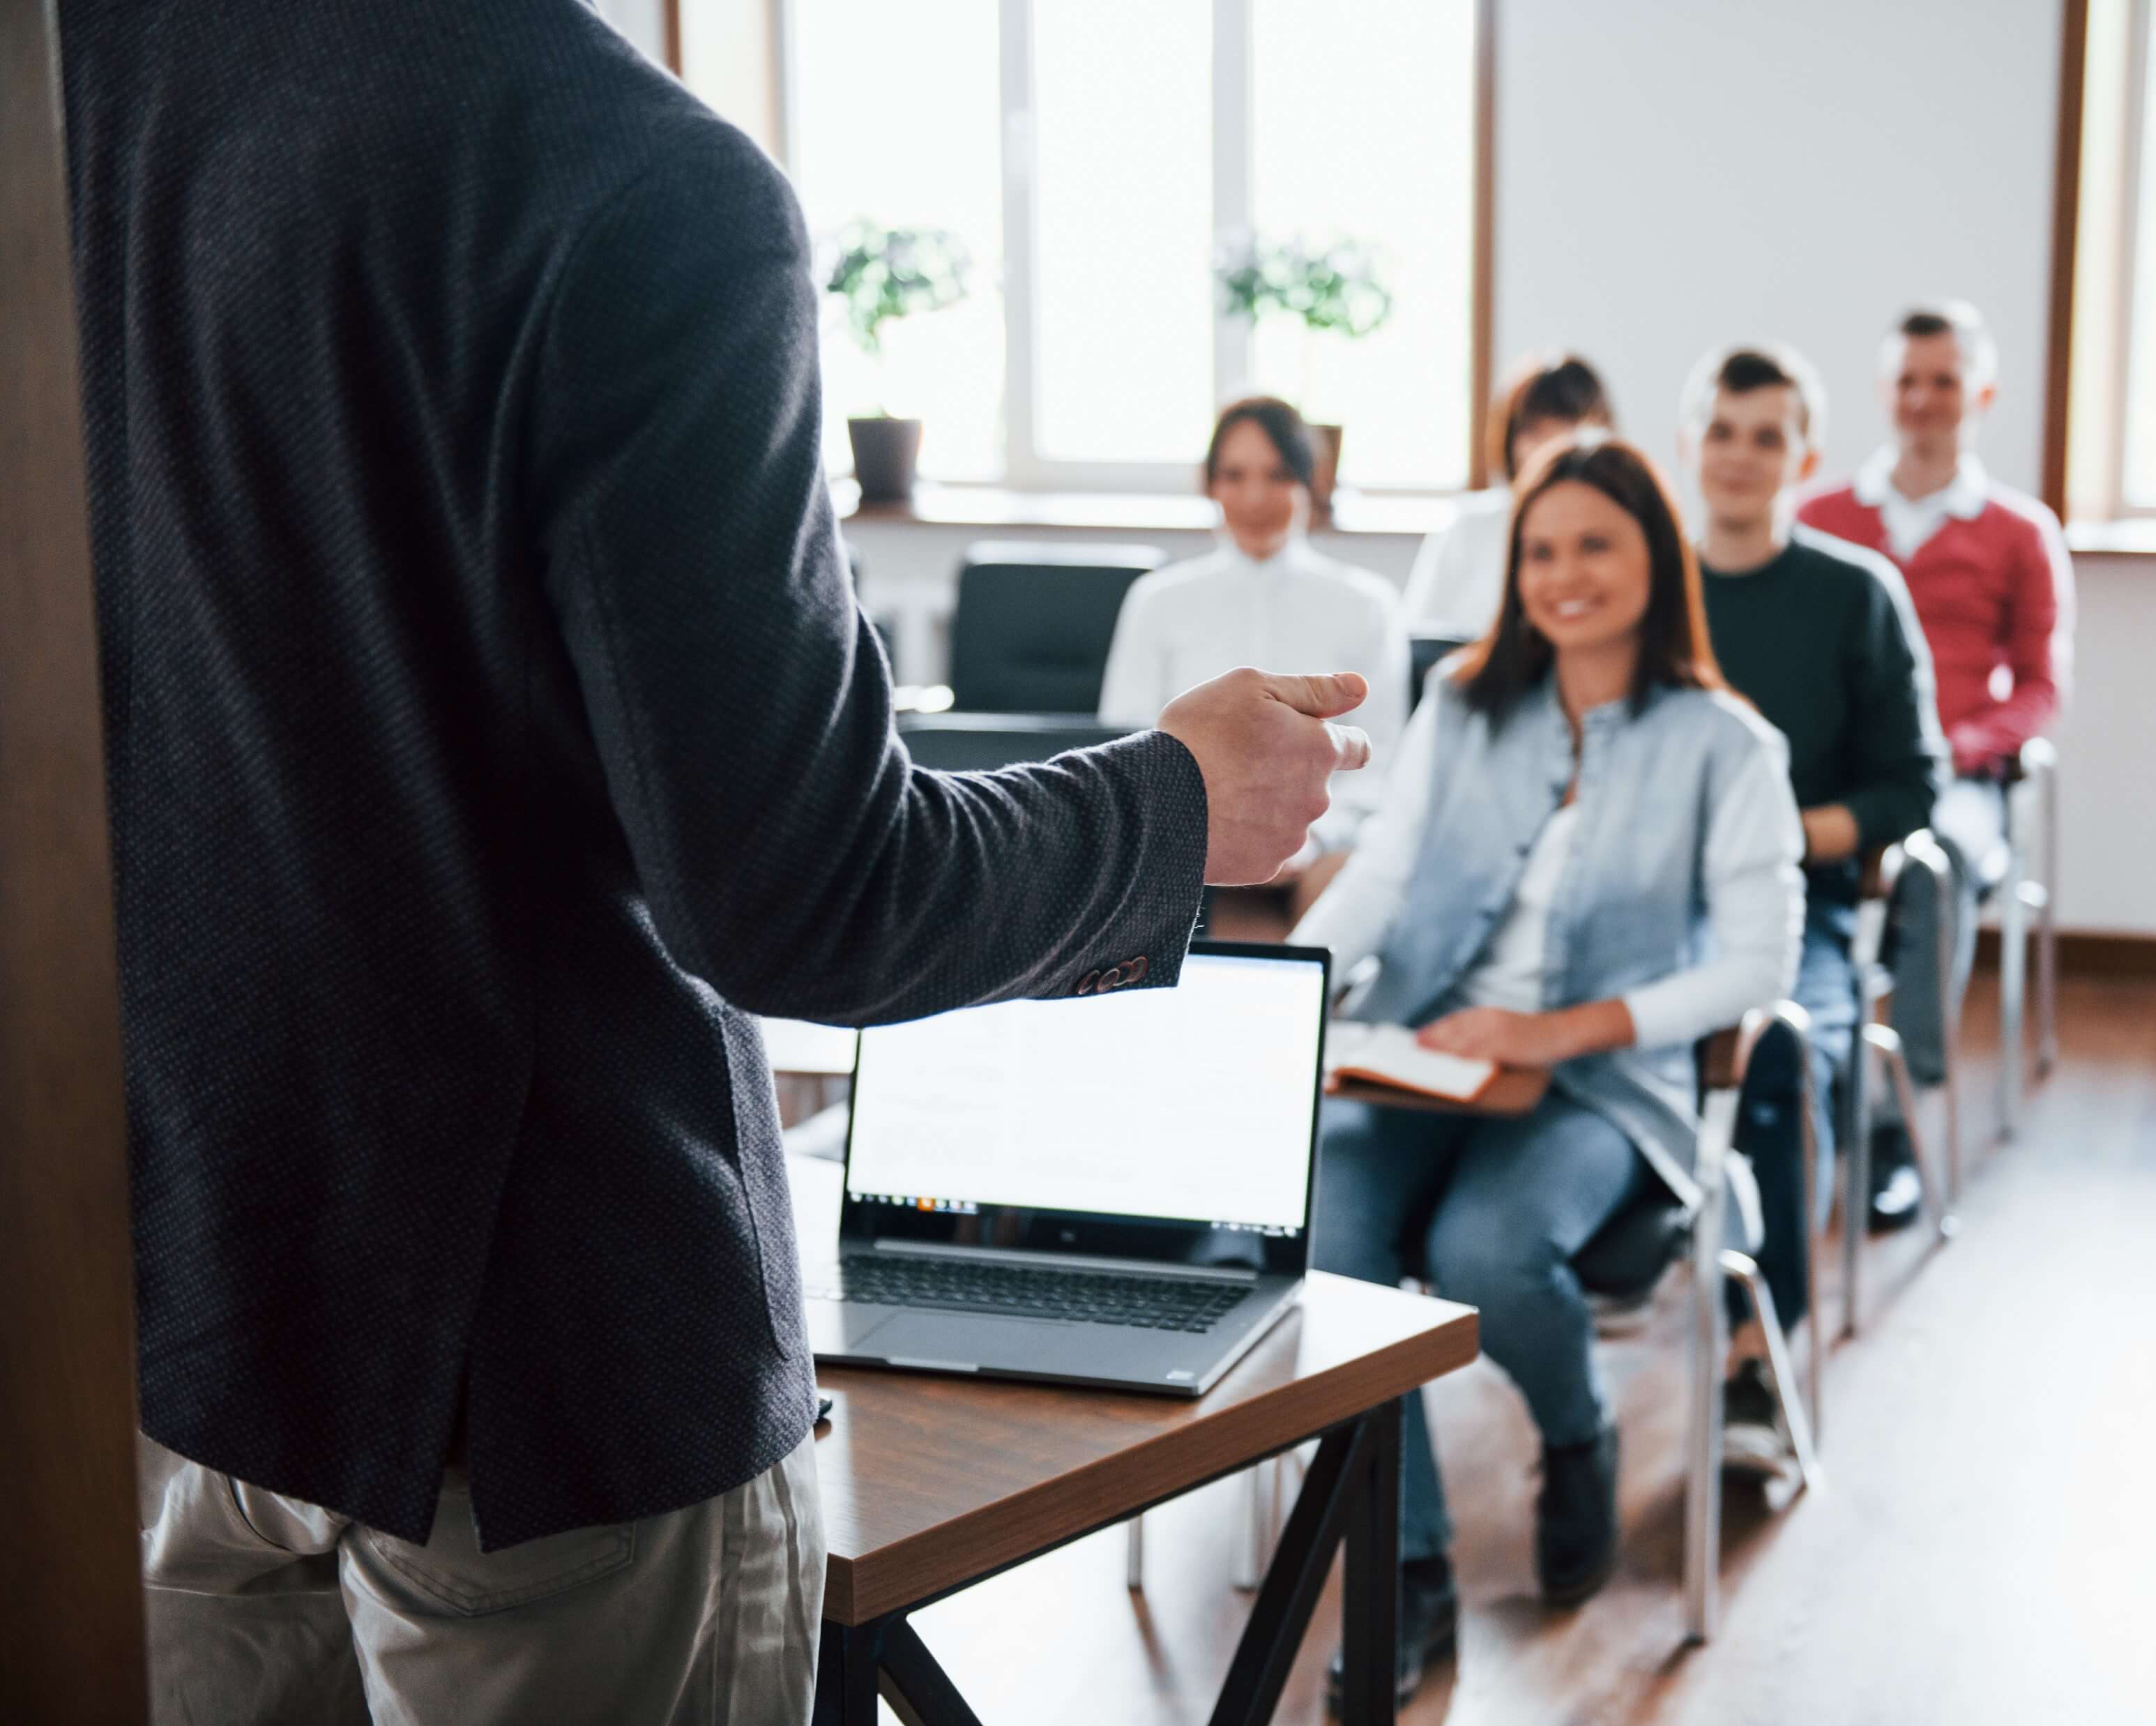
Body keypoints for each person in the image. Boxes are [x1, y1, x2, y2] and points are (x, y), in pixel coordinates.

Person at [66, 6, 1369, 1720]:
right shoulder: (630, 183)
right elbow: (807, 893)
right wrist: (1173, 806)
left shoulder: (83, 83)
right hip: (543, 1381)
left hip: (176, 1309)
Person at [1293, 434, 1805, 1708]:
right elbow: (1388, 877)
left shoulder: (1725, 745)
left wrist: (1557, 1033)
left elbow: (1756, 964)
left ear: (1655, 561)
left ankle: (1575, 1436)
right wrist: (1285, 996)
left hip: (1598, 1081)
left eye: (1596, 545)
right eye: (1540, 550)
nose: (1564, 574)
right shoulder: (1465, 707)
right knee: (1327, 1237)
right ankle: (1405, 1565)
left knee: (1483, 1251)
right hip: (1420, 1050)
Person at [1680, 344, 1946, 1467]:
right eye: (1723, 430)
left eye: (1767, 435)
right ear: (1692, 441)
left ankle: (1757, 1348)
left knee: (1781, 1057)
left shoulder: (1856, 595)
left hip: (1802, 910)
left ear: (1807, 456)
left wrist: (1772, 838)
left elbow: (1910, 788)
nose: (1740, 456)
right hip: (1641, 911)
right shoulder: (1644, 591)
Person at [1798, 301, 2074, 1226]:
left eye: (1943, 381)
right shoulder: (1821, 515)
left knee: (1936, 861)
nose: (1923, 399)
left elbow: (2040, 685)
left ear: (1979, 393)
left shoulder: (2019, 530)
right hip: (1835, 773)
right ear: (1884, 392)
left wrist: (1965, 745)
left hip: (1955, 776)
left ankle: (1887, 1113)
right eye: (1907, 381)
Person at [1099, 395, 1410, 887]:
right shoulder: (1157, 601)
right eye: (1235, 476)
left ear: (1312, 481)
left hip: (1318, 850)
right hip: (1186, 848)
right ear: (1211, 484)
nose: (1255, 498)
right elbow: (1124, 743)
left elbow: (1383, 761)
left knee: (1352, 877)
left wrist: (1313, 840)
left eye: (1278, 475)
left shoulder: (1368, 605)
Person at [1399, 354, 1617, 639]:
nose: (1551, 445)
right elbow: (1421, 640)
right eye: (1533, 429)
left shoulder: (1622, 527)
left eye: (1566, 425)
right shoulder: (1468, 528)